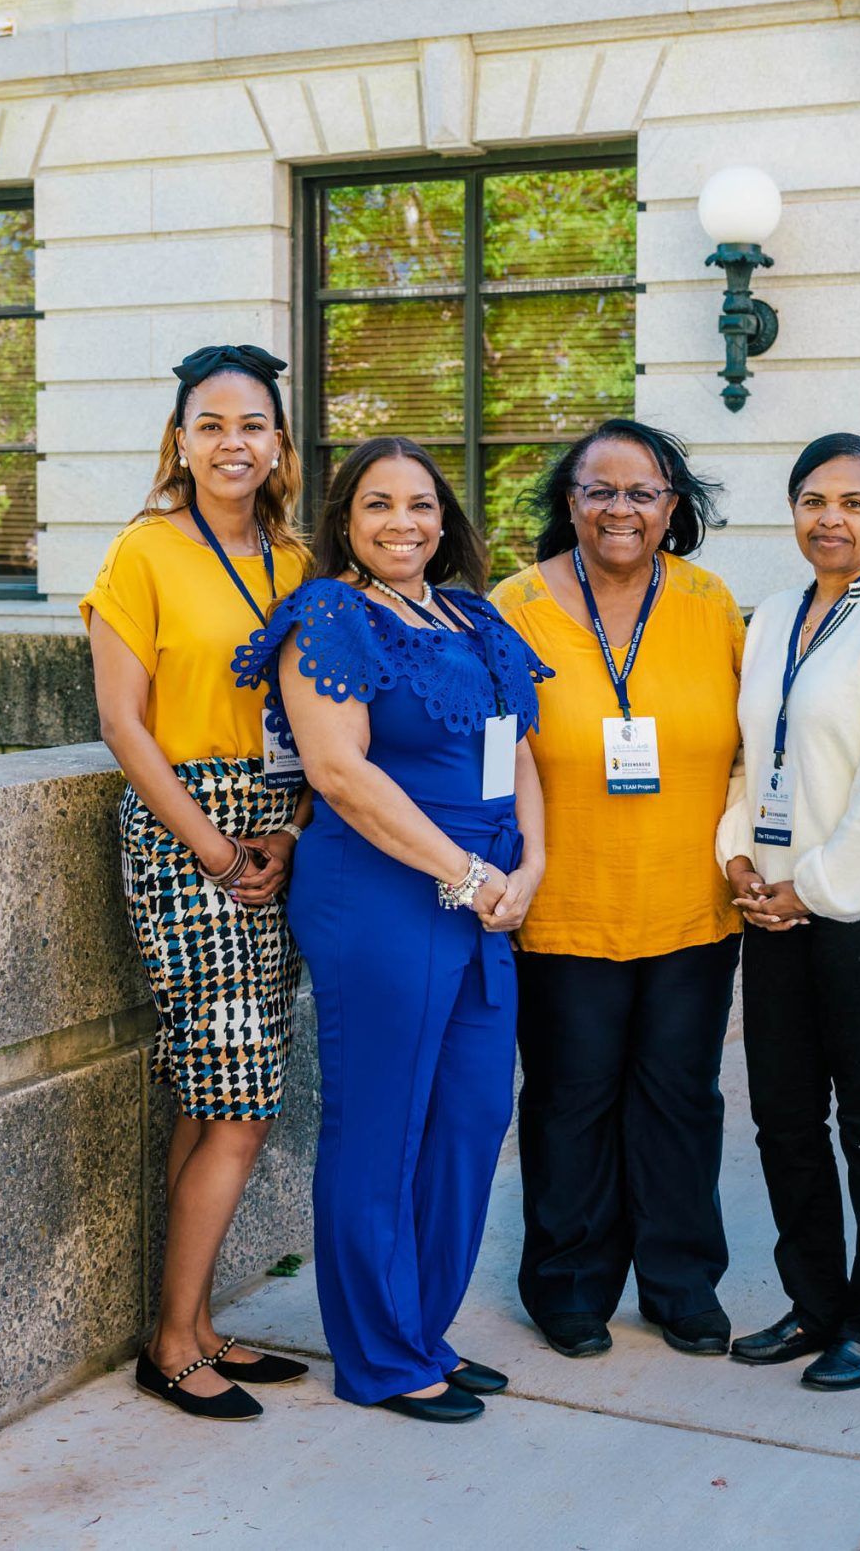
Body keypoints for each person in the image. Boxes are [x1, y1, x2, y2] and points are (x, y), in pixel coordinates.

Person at [234, 437, 552, 1424]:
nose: (401, 523)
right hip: (381, 894)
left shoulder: (472, 612)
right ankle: (378, 1355)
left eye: (419, 504)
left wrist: (532, 867)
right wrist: (463, 875)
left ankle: (422, 1330)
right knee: (381, 1126)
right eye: (377, 504)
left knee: (466, 1122)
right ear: (344, 522)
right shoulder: (328, 615)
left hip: (487, 891)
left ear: (444, 518)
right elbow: (339, 775)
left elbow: (519, 749)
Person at [81, 343, 316, 1422]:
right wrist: (217, 850)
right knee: (243, 1106)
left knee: (208, 1091)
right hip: (185, 835)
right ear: (181, 439)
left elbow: (315, 723)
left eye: (252, 424)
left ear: (279, 444)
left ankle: (195, 1320)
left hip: (276, 828)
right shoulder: (144, 552)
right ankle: (171, 1347)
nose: (233, 443)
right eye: (211, 424)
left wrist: (291, 827)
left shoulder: (296, 558)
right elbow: (124, 726)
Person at [487, 420, 748, 1361]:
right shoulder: (511, 608)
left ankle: (681, 1283)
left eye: (643, 492)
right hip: (565, 907)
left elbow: (753, 747)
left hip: (690, 905)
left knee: (681, 1098)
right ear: (570, 501)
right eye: (601, 490)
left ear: (673, 507)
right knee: (569, 1100)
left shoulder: (712, 603)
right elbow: (487, 752)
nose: (621, 510)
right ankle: (568, 1282)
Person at [716, 432, 860, 1392]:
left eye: (853, 502)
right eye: (814, 500)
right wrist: (737, 854)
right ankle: (815, 1302)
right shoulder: (773, 615)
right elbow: (750, 754)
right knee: (780, 1112)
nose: (831, 518)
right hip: (773, 898)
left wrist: (803, 885)